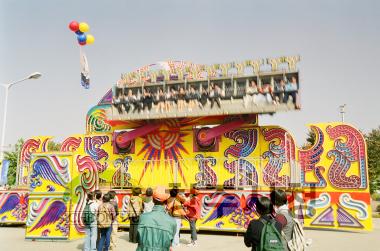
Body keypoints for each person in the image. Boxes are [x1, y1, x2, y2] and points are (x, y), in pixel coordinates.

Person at [136, 186, 176, 251]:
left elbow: (138, 239)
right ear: (166, 201)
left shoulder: (142, 217)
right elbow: (170, 242)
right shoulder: (172, 222)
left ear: (153, 200)